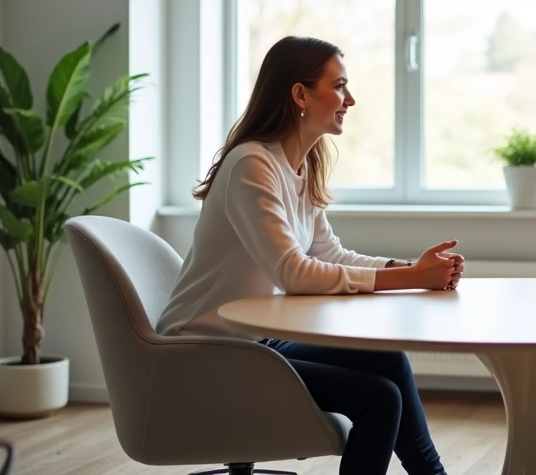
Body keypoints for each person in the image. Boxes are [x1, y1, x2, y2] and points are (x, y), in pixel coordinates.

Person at [156, 36, 458, 475]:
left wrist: (409, 268)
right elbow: (294, 273)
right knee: (380, 397)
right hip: (206, 353)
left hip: (254, 344)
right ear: (300, 94)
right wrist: (412, 278)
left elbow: (329, 252)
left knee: (388, 359)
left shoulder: (301, 164)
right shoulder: (251, 165)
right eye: (338, 86)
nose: (349, 99)